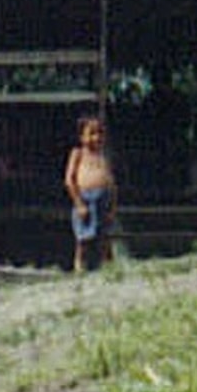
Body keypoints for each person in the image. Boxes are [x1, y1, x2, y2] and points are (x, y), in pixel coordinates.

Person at [65, 115, 118, 273]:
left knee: (104, 236)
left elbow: (112, 182)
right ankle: (79, 266)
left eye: (100, 133)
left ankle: (108, 267)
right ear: (82, 136)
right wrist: (79, 203)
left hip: (104, 198)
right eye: (92, 133)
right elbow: (69, 180)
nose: (97, 138)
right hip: (85, 199)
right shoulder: (78, 154)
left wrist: (113, 207)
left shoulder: (104, 156)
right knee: (83, 237)